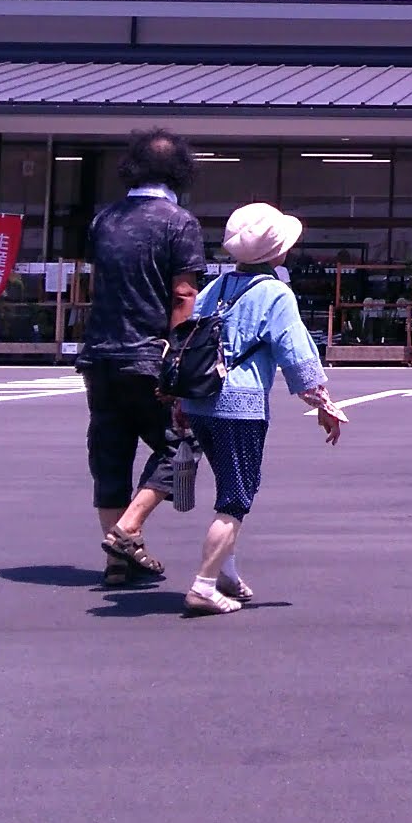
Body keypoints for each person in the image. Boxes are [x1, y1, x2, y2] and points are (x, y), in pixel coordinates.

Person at [173, 202, 342, 616]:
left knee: (227, 484)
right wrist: (323, 404)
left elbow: (187, 342)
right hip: (240, 407)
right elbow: (296, 353)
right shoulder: (275, 293)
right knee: (235, 498)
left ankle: (226, 573)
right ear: (276, 252)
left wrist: (179, 400)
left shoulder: (215, 288)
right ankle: (204, 584)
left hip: (200, 402)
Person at [79, 128, 208, 589]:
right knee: (183, 443)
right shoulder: (179, 222)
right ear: (181, 170)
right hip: (151, 356)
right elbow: (183, 294)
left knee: (110, 453)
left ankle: (118, 561)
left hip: (100, 355)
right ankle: (128, 529)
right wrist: (179, 356)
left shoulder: (104, 220)